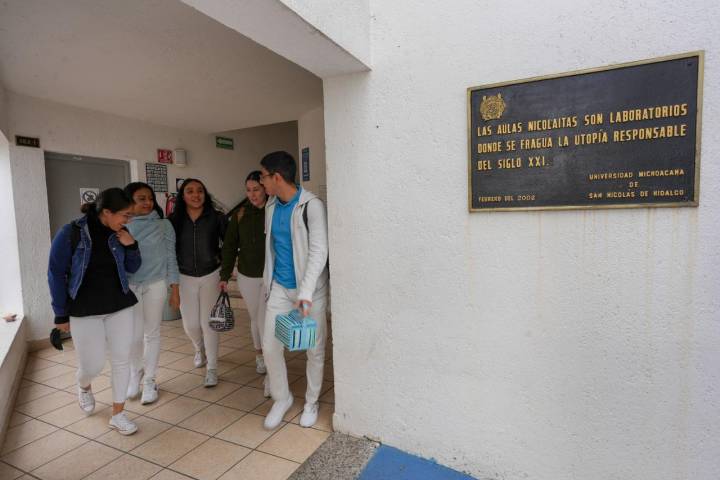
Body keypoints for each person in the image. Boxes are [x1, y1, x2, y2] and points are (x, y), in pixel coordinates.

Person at [47, 188, 141, 435]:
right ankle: (84, 385)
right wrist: (60, 313)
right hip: (84, 308)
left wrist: (132, 246)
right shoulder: (71, 233)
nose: (128, 221)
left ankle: (118, 414)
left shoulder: (122, 233)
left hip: (119, 304)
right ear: (107, 212)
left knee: (121, 359)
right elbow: (55, 273)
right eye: (125, 215)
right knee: (93, 365)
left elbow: (133, 268)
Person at [258, 151, 329, 429]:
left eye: (263, 177)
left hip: (310, 291)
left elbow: (319, 251)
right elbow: (273, 249)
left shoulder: (311, 206)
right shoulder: (271, 206)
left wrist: (306, 292)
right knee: (270, 346)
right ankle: (282, 398)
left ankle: (311, 401)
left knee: (314, 349)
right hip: (280, 287)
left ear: (277, 177)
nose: (261, 182)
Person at [124, 182, 180, 405]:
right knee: (133, 336)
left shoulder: (164, 225)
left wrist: (175, 289)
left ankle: (150, 380)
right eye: (141, 199)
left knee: (152, 333)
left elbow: (171, 258)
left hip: (156, 285)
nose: (148, 202)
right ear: (130, 202)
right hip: (129, 287)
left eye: (150, 198)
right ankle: (135, 373)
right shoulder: (122, 226)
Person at [169, 178, 227, 387]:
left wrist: (223, 265)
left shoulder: (217, 217)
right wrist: (172, 282)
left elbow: (229, 244)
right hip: (184, 277)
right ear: (183, 196)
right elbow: (169, 250)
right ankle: (198, 348)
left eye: (200, 191)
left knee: (209, 324)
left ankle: (212, 367)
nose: (196, 195)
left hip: (211, 274)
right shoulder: (174, 220)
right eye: (190, 191)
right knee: (191, 324)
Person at [219, 171, 268, 377]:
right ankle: (260, 355)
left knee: (265, 318)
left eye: (256, 189)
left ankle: (271, 356)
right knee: (256, 317)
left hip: (272, 275)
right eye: (248, 190)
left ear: (265, 188)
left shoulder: (275, 210)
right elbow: (229, 246)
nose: (252, 194)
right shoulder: (240, 215)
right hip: (248, 276)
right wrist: (224, 275)